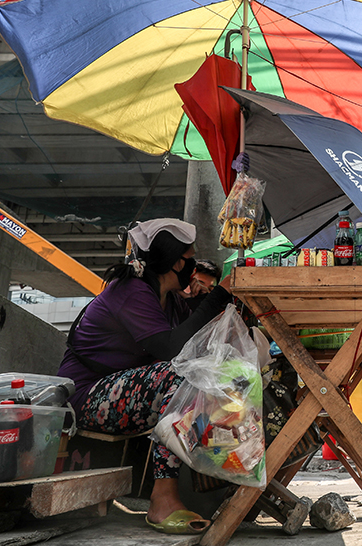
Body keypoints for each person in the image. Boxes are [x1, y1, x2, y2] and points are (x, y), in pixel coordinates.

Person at [57, 219, 235, 535]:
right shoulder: (131, 291)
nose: (193, 266)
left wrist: (198, 303)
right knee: (178, 376)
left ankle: (227, 485)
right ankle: (162, 498)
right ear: (174, 262)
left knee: (213, 377)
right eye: (190, 258)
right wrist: (217, 296)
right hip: (86, 397)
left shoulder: (173, 301)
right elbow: (170, 350)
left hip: (127, 394)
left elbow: (192, 345)